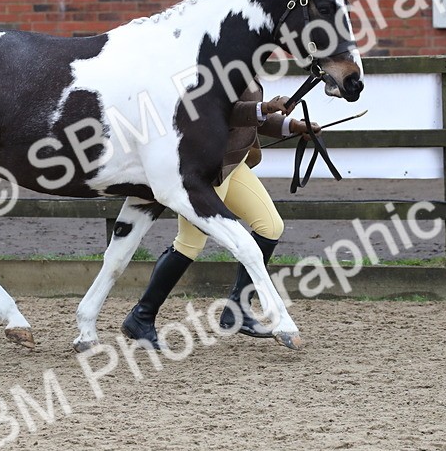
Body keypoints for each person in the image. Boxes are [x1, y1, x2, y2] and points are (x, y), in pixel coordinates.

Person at [121, 83, 319, 348]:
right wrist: (264, 107)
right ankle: (141, 317)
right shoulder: (218, 65)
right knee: (190, 243)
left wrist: (292, 126)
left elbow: (250, 121)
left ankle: (236, 310)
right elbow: (221, 110)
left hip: (232, 164)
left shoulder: (247, 68)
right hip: (206, 167)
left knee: (270, 227)